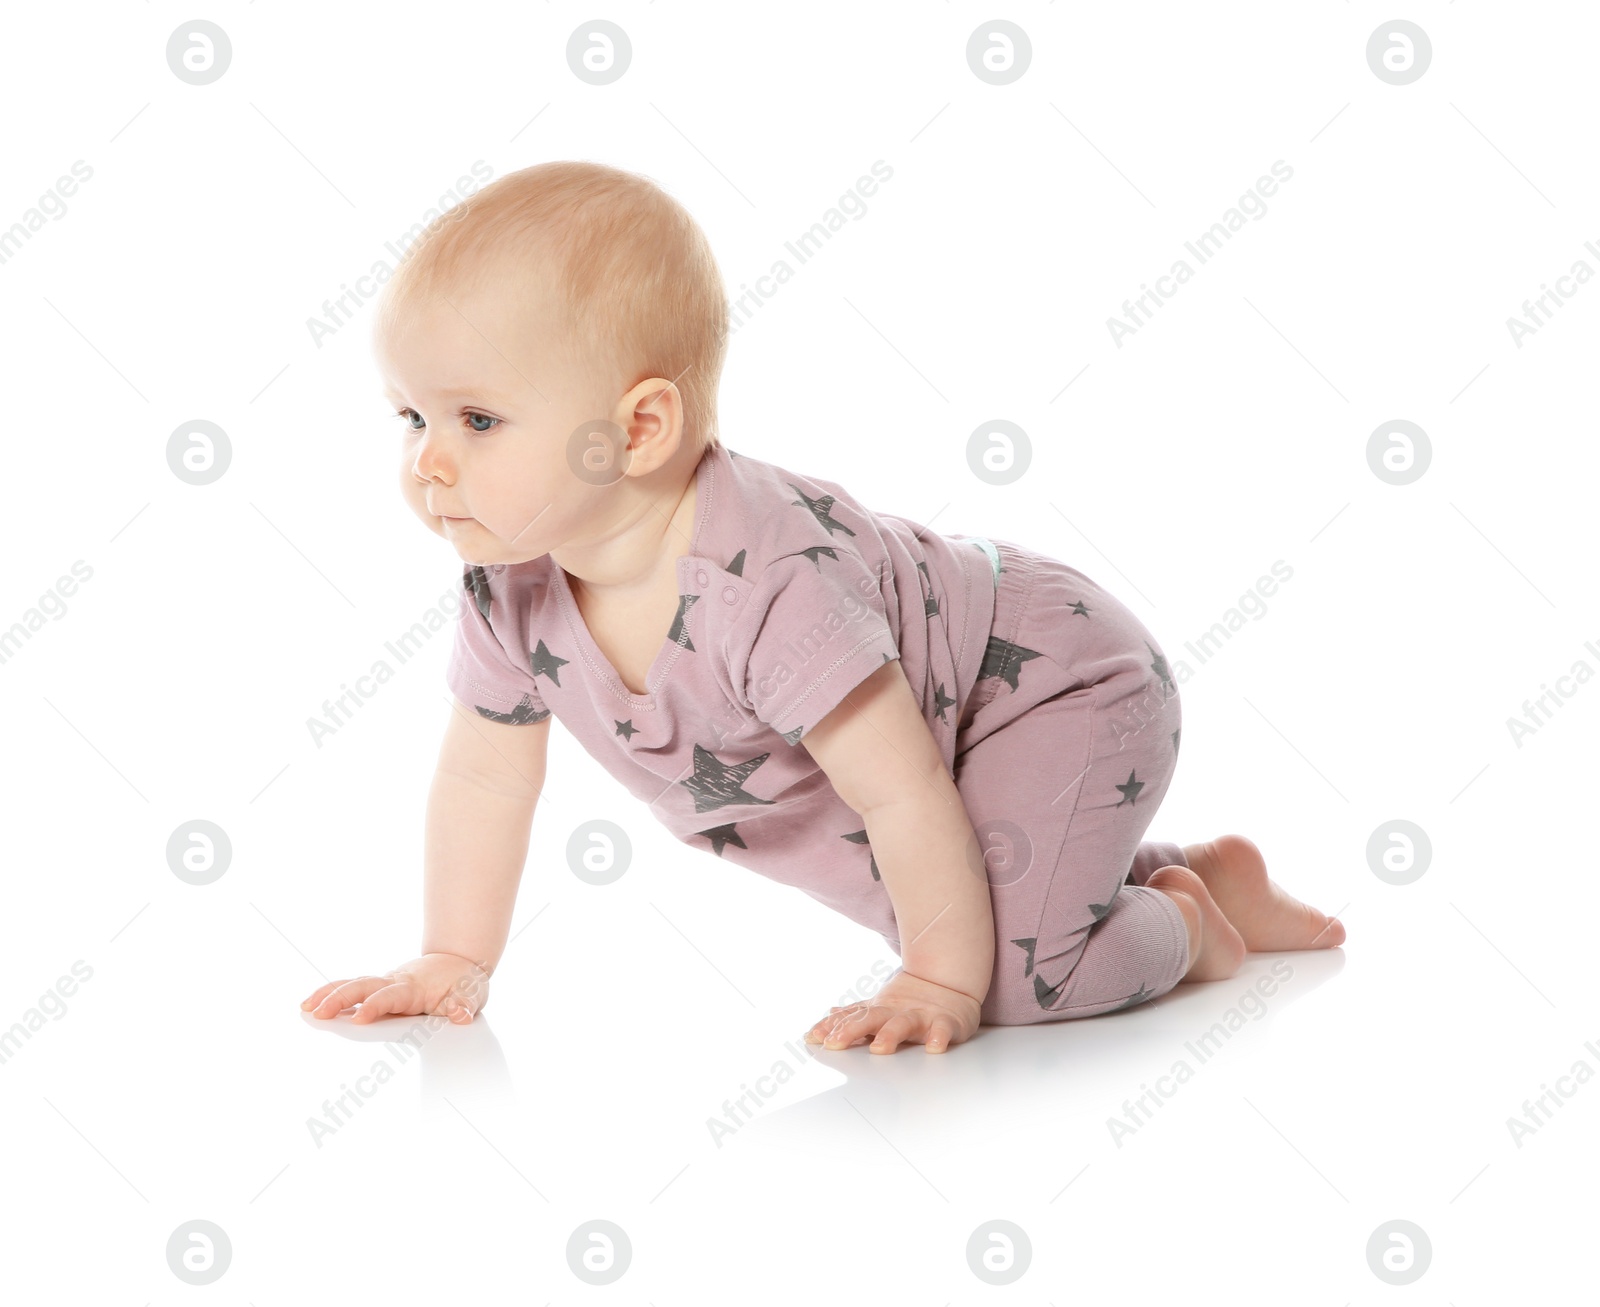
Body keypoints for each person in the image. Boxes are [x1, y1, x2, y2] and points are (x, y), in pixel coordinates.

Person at [300, 161, 1345, 1053]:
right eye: (410, 415)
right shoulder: (510, 580)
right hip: (963, 729)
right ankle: (1199, 873)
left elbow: (900, 794)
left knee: (1014, 980)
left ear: (641, 427)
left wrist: (940, 983)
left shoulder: (764, 582)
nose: (429, 462)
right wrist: (453, 955)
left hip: (1054, 684)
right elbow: (485, 776)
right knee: (972, 902)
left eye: (477, 418)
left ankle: (1188, 924)